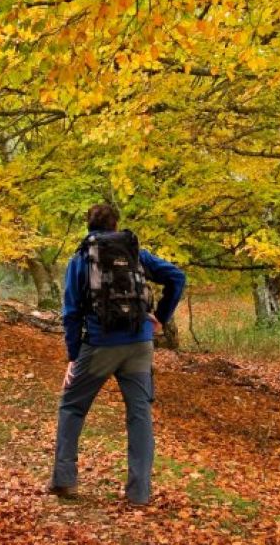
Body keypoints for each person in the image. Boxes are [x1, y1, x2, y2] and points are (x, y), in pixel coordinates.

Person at [48, 203, 186, 505]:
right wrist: (160, 316)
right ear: (115, 224)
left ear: (89, 226)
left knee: (72, 406)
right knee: (139, 415)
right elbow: (177, 277)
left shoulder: (81, 258)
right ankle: (139, 493)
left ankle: (64, 479)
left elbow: (71, 312)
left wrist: (73, 356)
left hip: (99, 344)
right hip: (139, 344)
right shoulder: (136, 253)